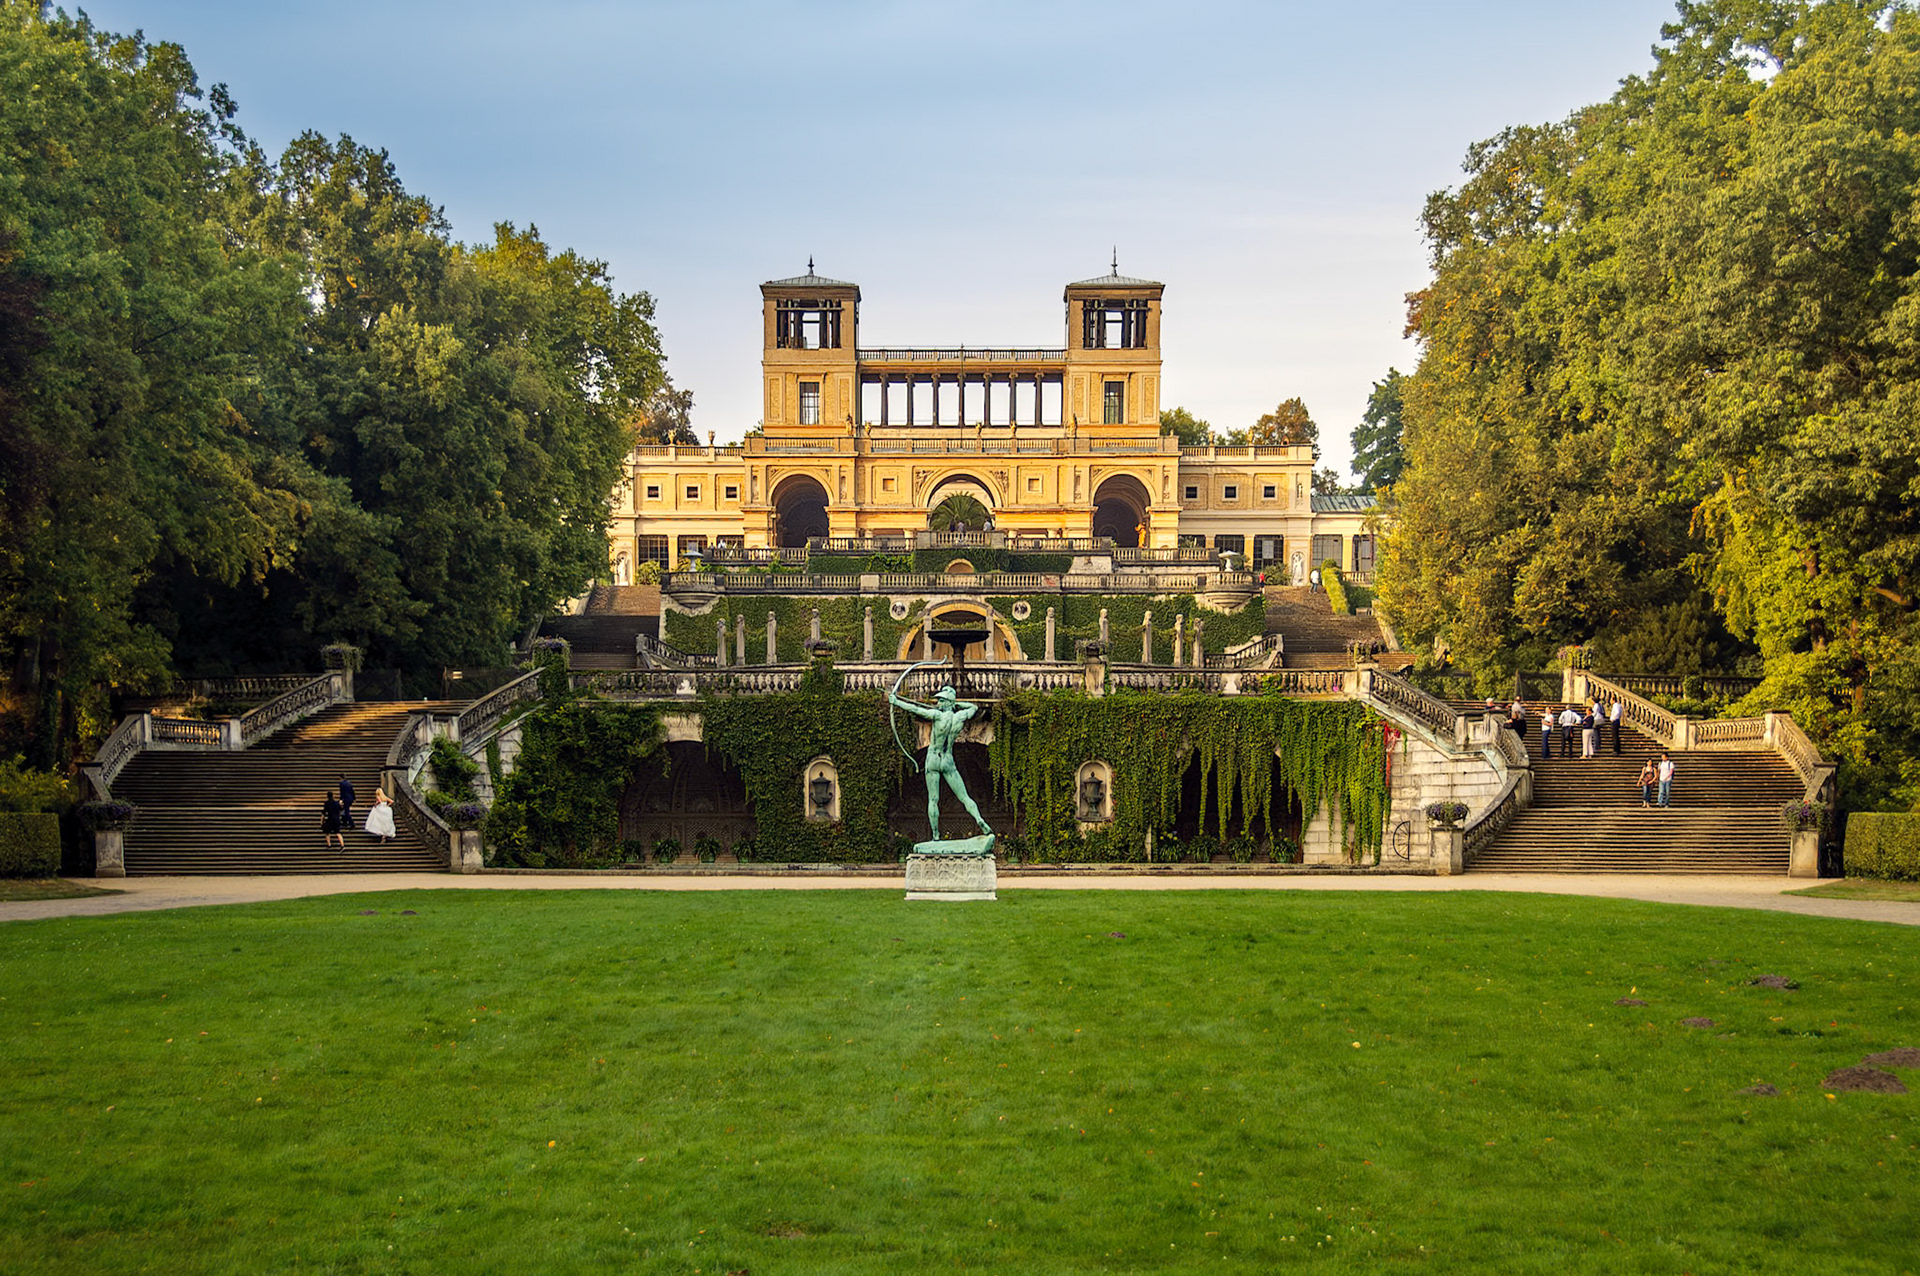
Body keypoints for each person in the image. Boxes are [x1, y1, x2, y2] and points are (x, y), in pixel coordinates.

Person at [888, 682, 992, 844]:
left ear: (948, 703)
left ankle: (935, 835)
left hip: (934, 758)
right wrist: (957, 704)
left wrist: (896, 702)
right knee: (964, 797)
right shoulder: (960, 717)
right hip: (948, 760)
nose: (938, 703)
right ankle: (978, 818)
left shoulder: (937, 716)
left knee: (933, 799)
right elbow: (973, 708)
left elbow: (915, 709)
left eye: (942, 701)